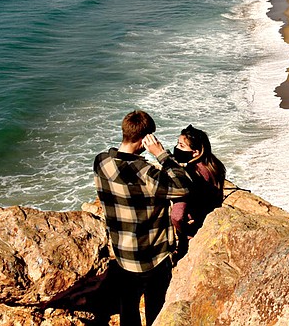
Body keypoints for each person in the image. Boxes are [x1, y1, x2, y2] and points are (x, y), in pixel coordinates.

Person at [93, 110, 194, 326]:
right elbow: (184, 187)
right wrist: (161, 154)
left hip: (122, 252)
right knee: (156, 309)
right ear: (146, 139)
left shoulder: (101, 162)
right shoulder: (148, 174)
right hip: (152, 256)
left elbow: (122, 167)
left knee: (127, 308)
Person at [170, 125, 226, 260]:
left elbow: (177, 216)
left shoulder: (191, 174)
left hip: (192, 233)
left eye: (181, 145)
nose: (177, 148)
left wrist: (183, 230)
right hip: (209, 225)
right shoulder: (214, 165)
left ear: (195, 152)